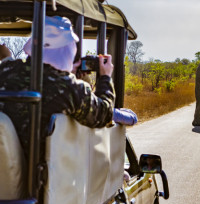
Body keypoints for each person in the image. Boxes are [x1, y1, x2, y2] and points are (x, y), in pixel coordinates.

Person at [0, 16, 115, 158]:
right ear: (67, 49)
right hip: (43, 176)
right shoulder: (70, 88)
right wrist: (105, 77)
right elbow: (104, 114)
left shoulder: (5, 71)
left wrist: (68, 73)